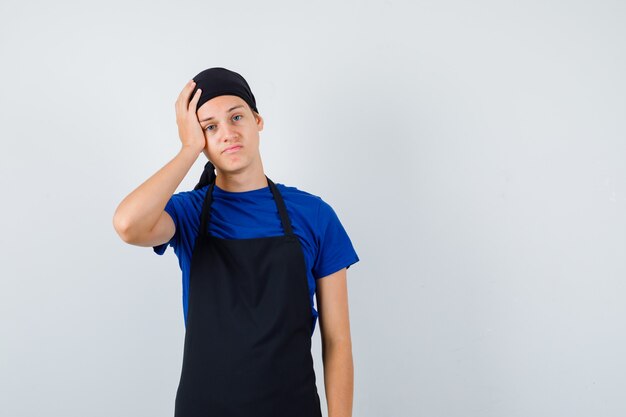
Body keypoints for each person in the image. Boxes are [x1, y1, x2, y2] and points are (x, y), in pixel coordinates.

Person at [112, 67, 359, 417]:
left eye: (236, 117)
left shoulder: (315, 215)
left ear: (258, 121)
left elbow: (337, 341)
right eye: (210, 127)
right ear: (199, 138)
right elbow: (127, 224)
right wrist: (187, 151)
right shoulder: (188, 214)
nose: (227, 133)